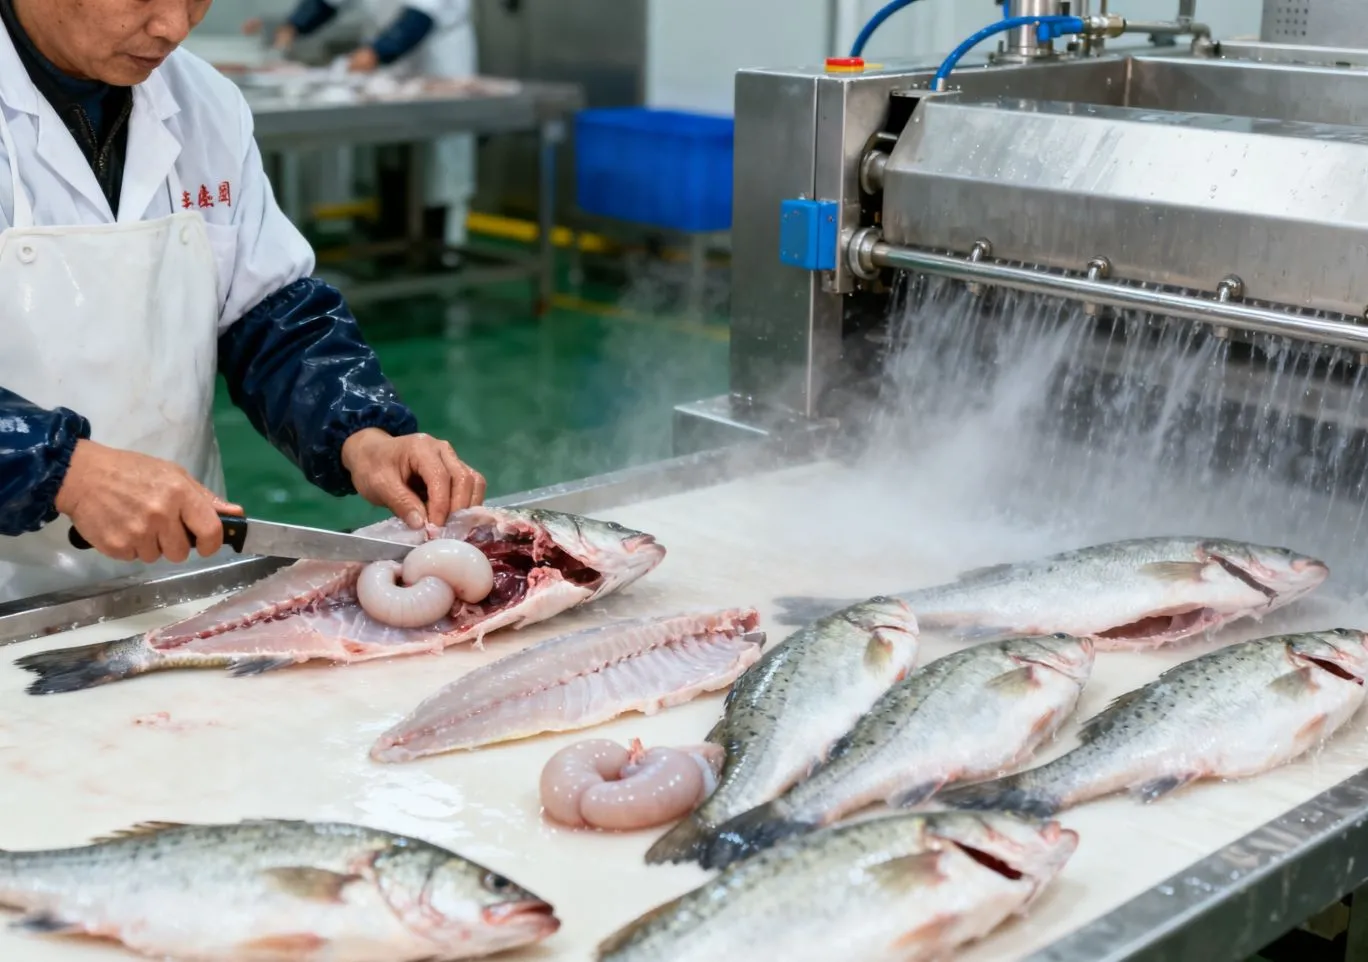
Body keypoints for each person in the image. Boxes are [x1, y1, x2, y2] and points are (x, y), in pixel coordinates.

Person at [0, 0, 486, 604]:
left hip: (171, 583)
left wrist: (362, 434)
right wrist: (63, 469)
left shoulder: (205, 103)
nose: (173, 28)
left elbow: (268, 313)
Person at [258, 0, 477, 255]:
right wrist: (293, 25)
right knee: (392, 153)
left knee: (439, 164)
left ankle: (440, 247)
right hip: (389, 63)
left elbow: (420, 18)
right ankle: (396, 241)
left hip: (437, 62)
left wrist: (375, 53)